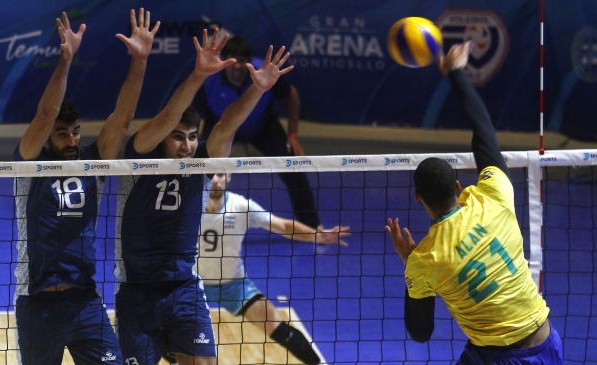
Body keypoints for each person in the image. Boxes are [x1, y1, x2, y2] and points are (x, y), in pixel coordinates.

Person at [114, 28, 293, 365]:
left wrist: (257, 89)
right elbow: (167, 117)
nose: (186, 145)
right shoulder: (140, 157)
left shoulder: (200, 166)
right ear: (164, 137)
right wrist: (199, 75)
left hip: (183, 286)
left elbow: (226, 126)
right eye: (178, 137)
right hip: (138, 288)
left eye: (193, 137)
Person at [385, 42, 563, 364]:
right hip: (547, 340)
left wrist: (411, 267)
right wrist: (456, 73)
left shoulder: (425, 258)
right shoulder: (493, 197)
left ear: (418, 198)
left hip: (499, 358)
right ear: (457, 185)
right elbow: (484, 133)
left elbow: (420, 332)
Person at [12, 9, 159, 365]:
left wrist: (140, 60)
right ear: (49, 138)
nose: (72, 139)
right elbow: (45, 115)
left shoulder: (93, 162)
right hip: (37, 303)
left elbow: (122, 118)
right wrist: (66, 60)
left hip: (85, 302)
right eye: (63, 133)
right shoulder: (30, 163)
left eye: (75, 130)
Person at [194, 172, 349, 365]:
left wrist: (318, 236)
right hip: (191, 286)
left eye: (220, 174)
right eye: (211, 175)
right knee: (173, 336)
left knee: (277, 327)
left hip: (233, 285)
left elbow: (282, 226)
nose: (216, 180)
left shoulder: (241, 206)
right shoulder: (188, 204)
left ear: (230, 175)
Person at [193, 35, 321, 229]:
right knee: (198, 171)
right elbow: (192, 113)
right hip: (220, 128)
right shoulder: (209, 78)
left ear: (250, 61)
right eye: (233, 60)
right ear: (225, 60)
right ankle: (192, 220)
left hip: (262, 127)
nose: (237, 66)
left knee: (292, 166)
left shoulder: (266, 72)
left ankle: (311, 227)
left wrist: (292, 135)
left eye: (242, 60)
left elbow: (291, 95)